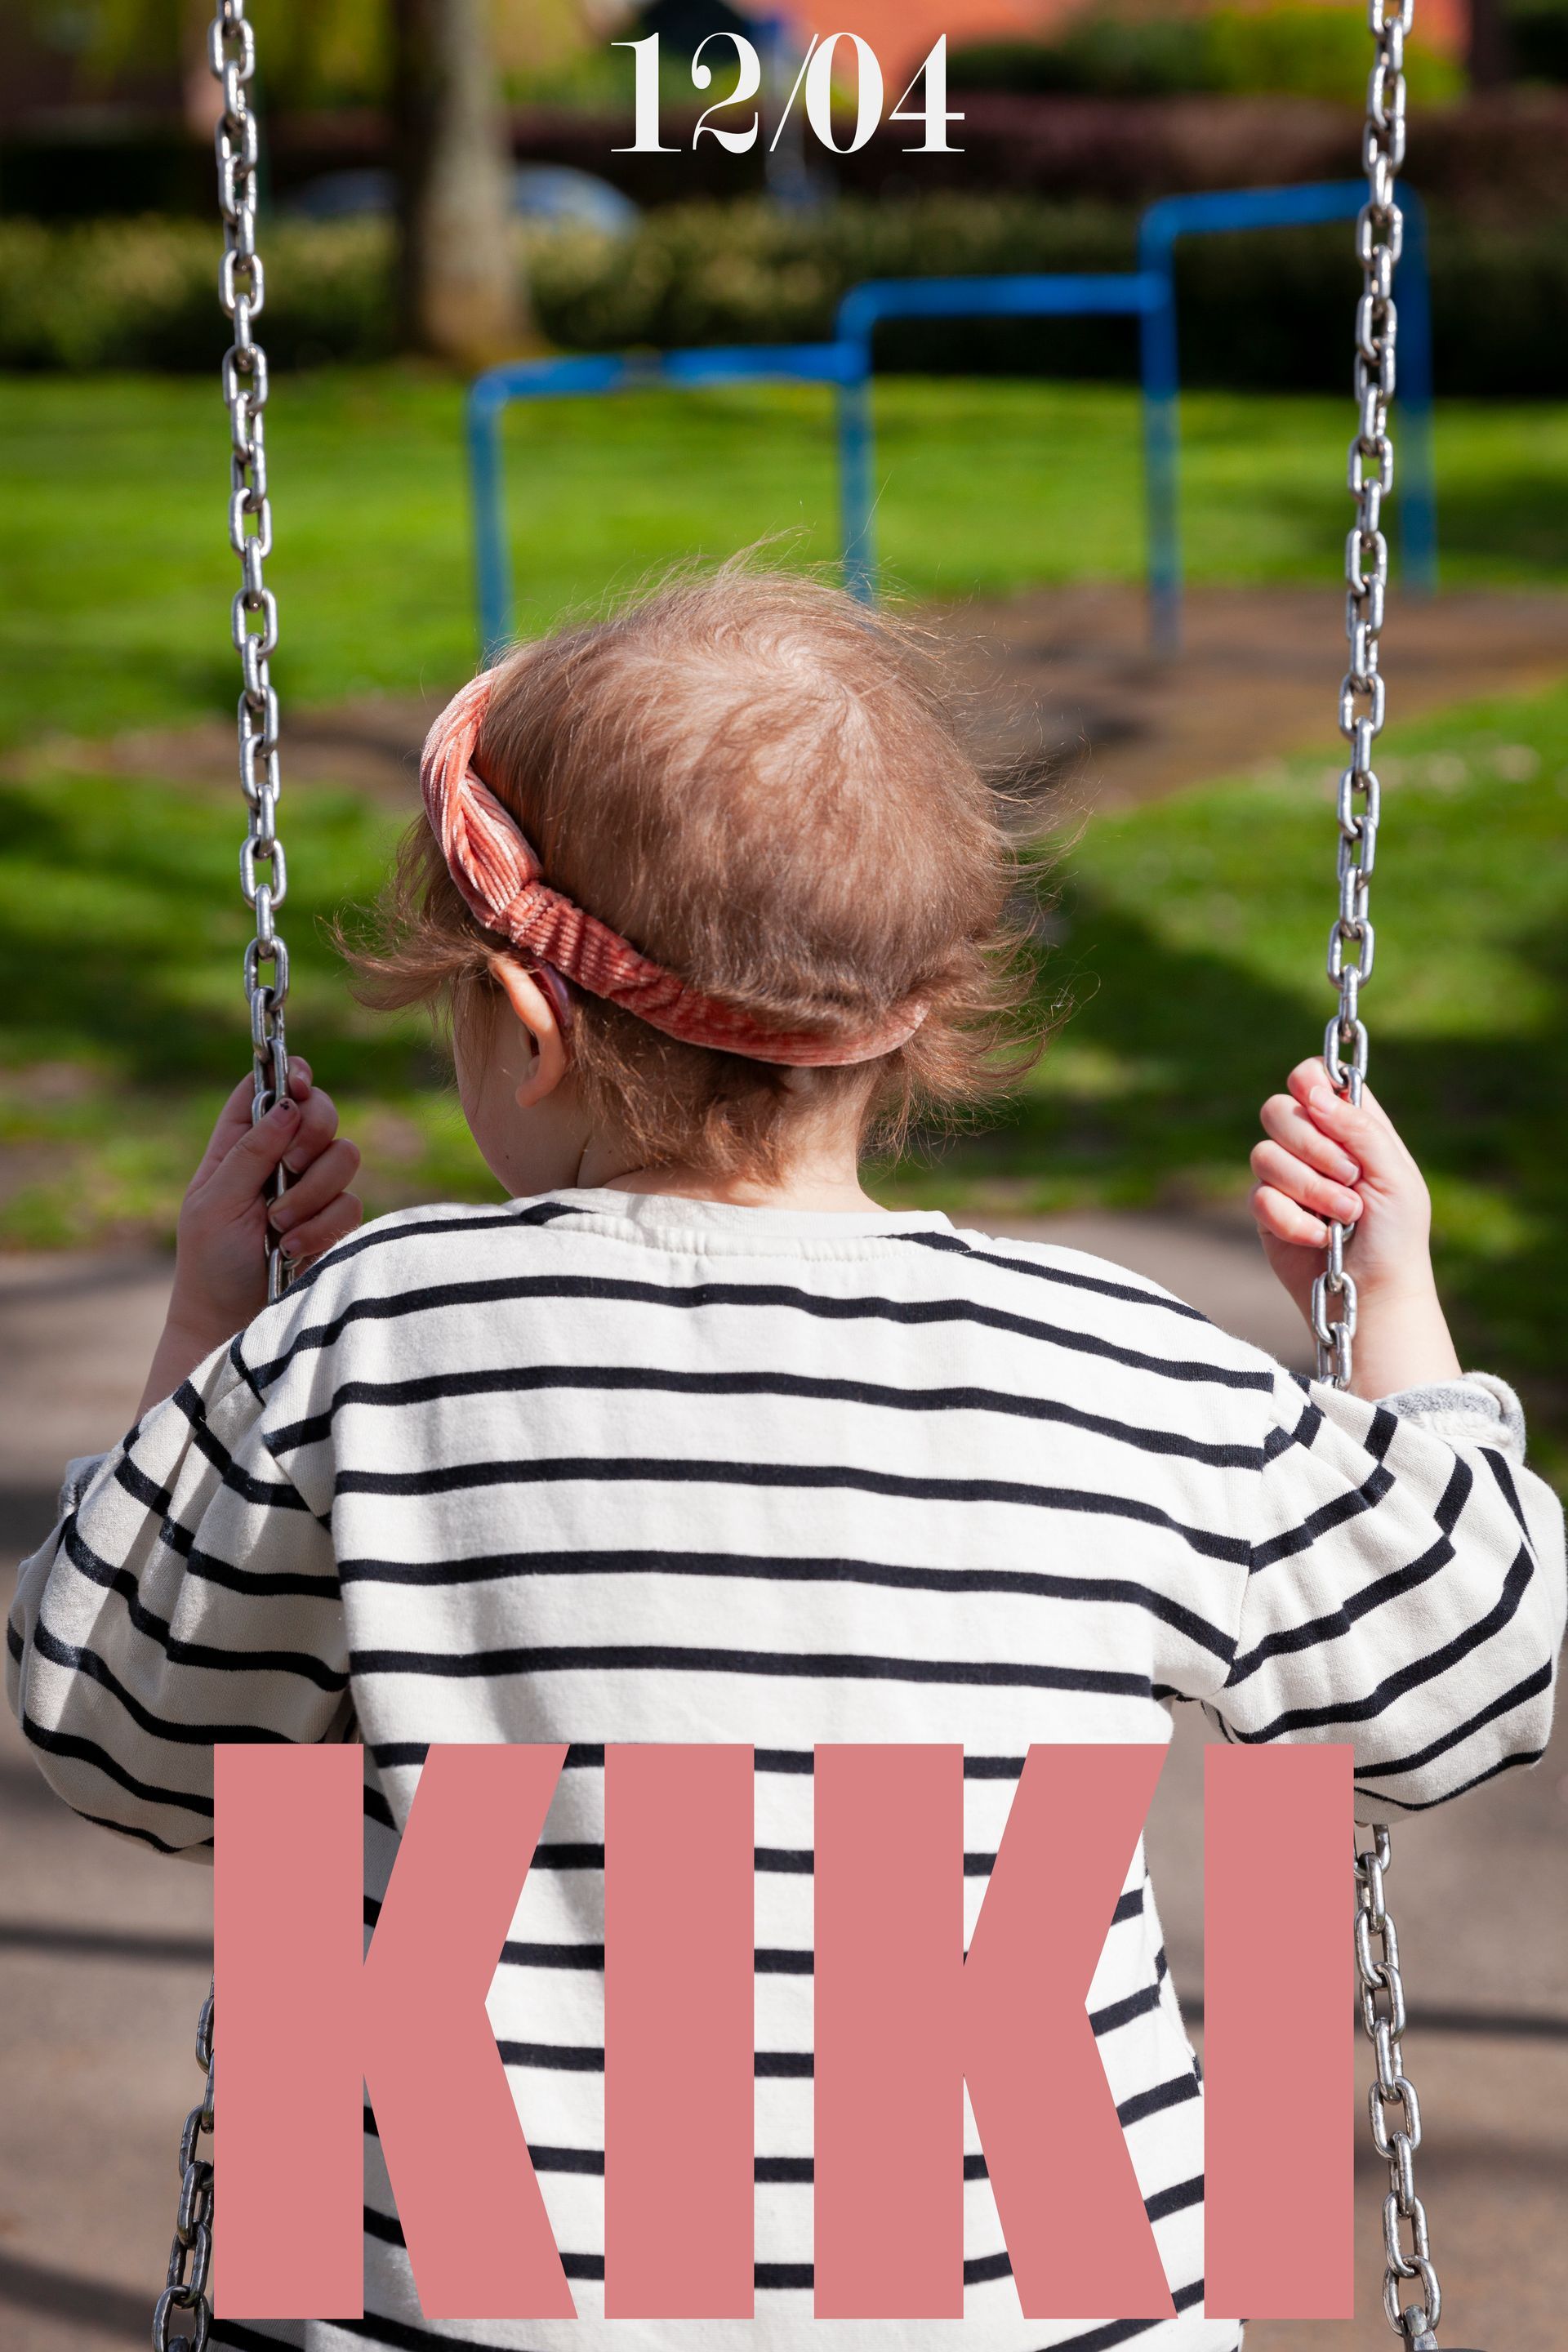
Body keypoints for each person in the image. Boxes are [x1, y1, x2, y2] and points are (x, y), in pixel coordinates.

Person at [8, 566, 1564, 2352]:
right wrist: (1391, 1316)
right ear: (925, 1013)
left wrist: (213, 1323)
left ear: (525, 1023)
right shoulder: (1118, 1360)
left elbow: (114, 1721)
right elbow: (1468, 1668)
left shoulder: (375, 1340)